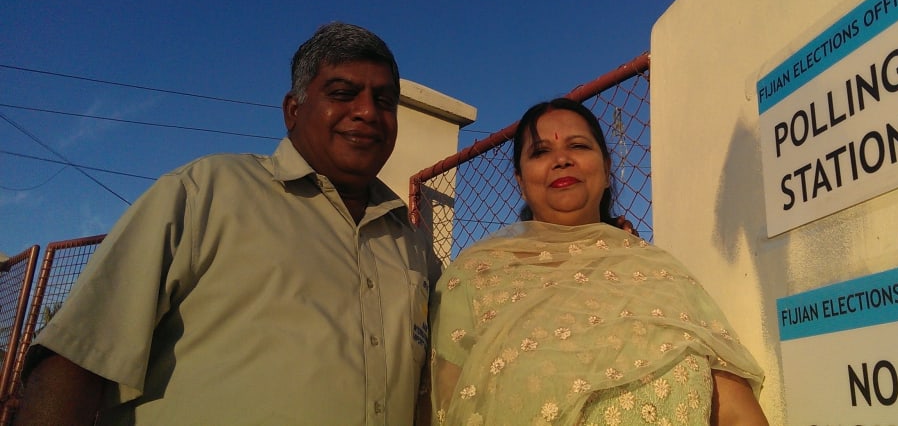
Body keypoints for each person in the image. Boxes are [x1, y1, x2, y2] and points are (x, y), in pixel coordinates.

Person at [16, 22, 441, 425]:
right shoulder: (207, 192)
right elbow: (77, 357)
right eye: (343, 93)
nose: (367, 111)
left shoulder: (413, 242)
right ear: (293, 110)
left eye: (384, 101)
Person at [430, 98, 768, 425]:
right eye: (541, 151)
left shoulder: (660, 273)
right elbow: (442, 409)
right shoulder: (478, 276)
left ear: (607, 169)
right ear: (520, 181)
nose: (561, 159)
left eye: (578, 146)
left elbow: (736, 414)